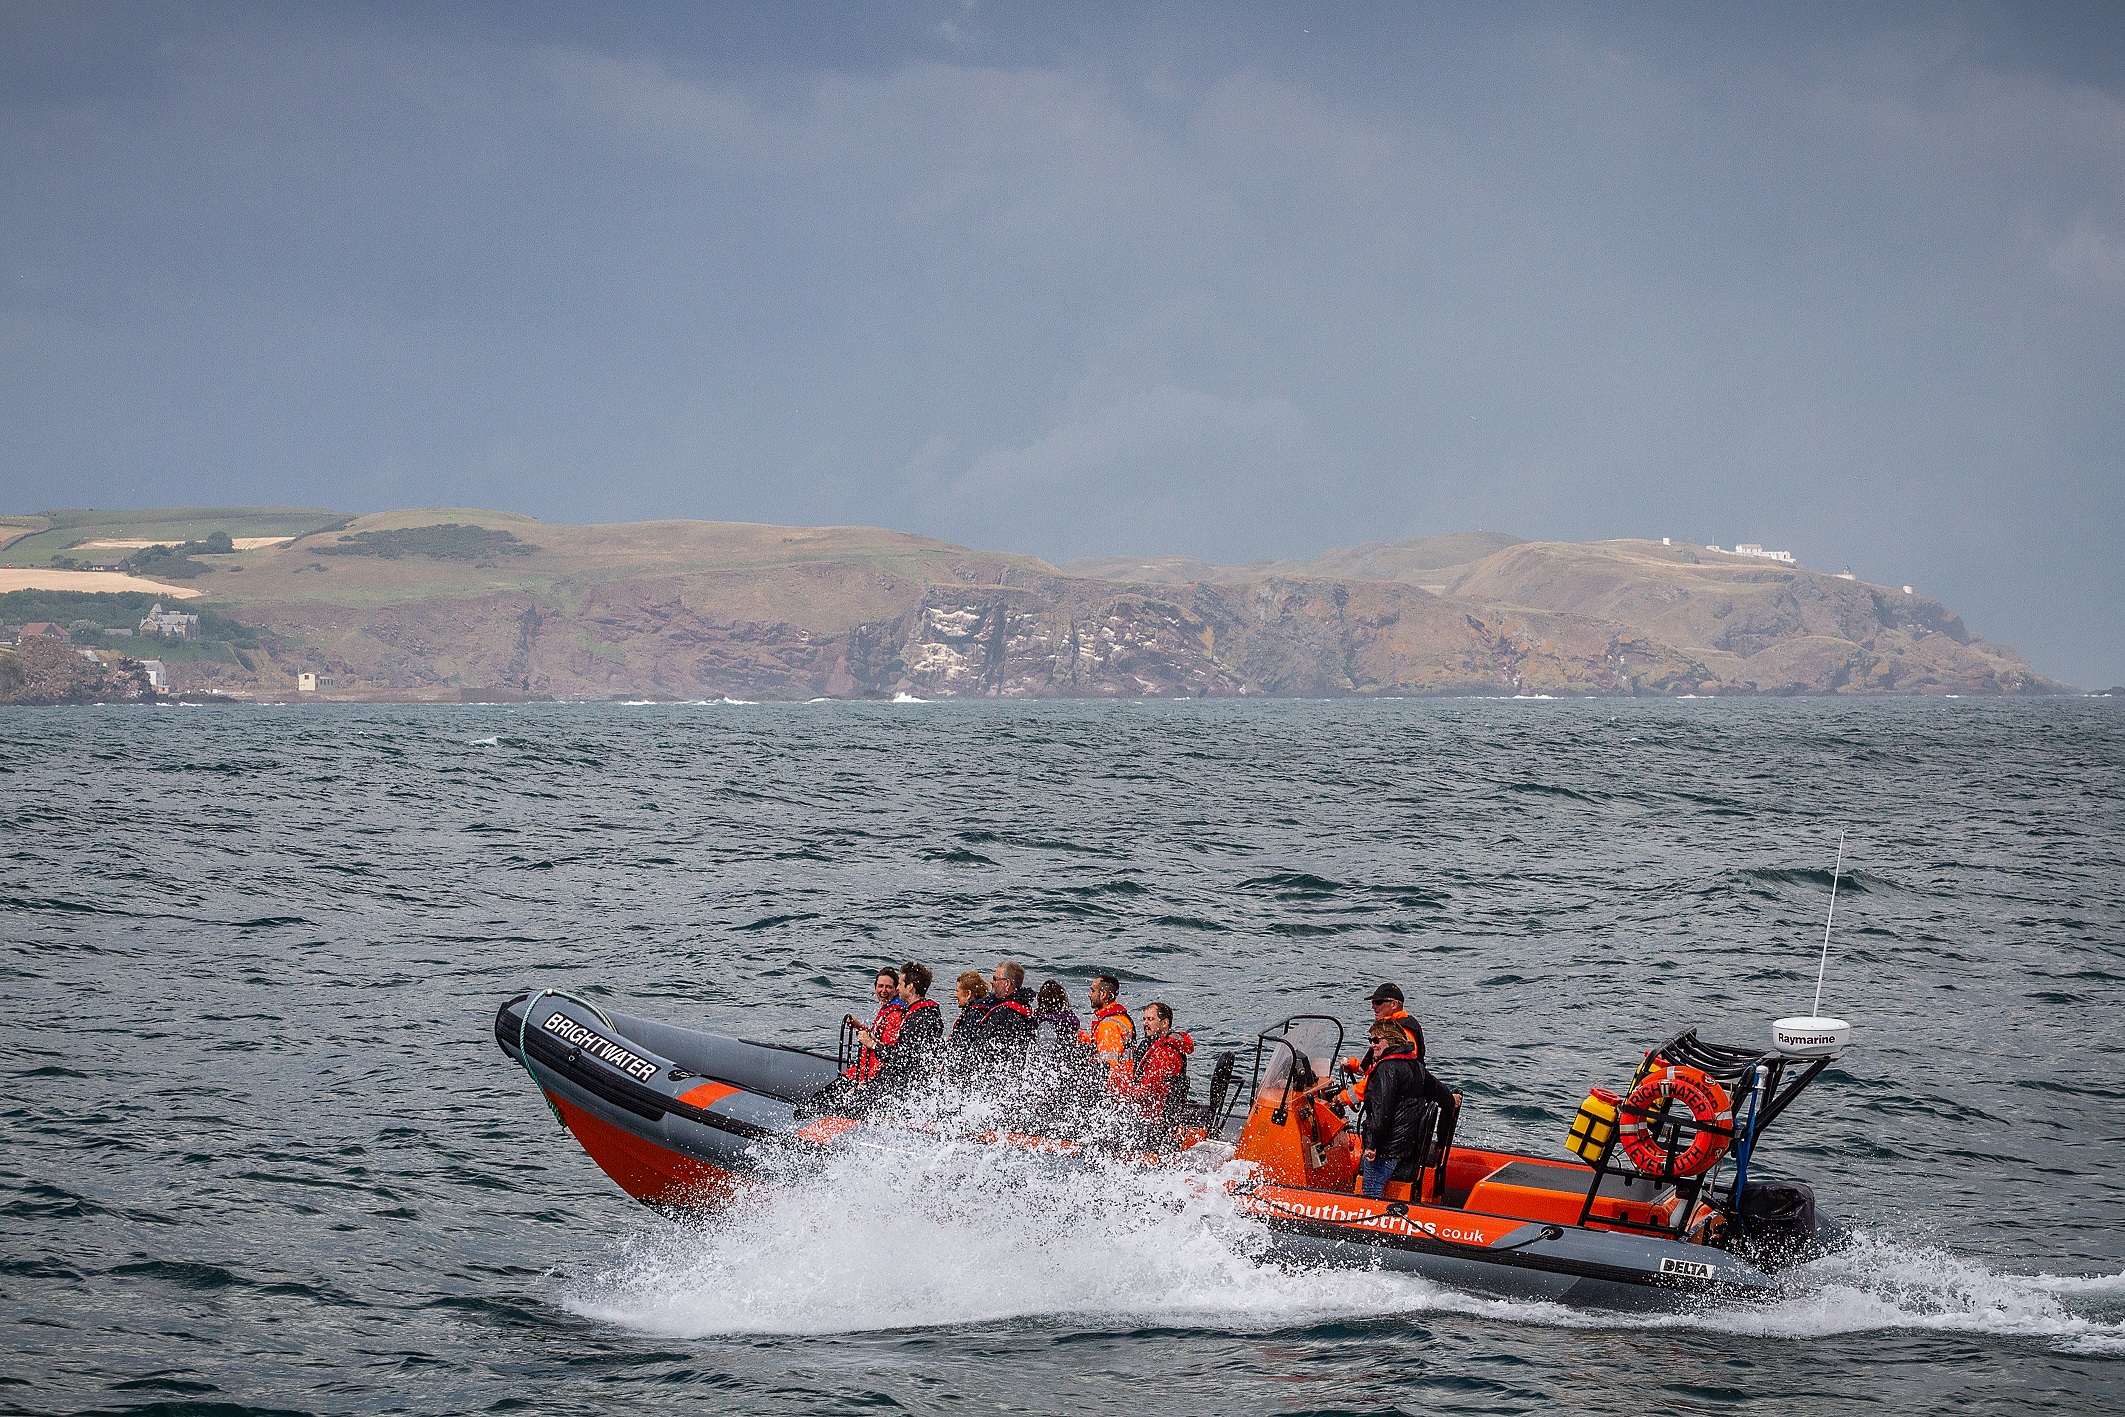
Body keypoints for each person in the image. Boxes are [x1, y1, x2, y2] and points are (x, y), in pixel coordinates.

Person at [1357, 1019, 1454, 1200]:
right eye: (1370, 1041)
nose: (1372, 1045)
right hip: (1408, 1145)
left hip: (1388, 1148)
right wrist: (1442, 1140)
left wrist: (1371, 1145)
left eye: (1376, 1041)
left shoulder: (1387, 1069)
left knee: (1370, 1191)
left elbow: (1382, 1112)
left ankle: (1376, 1223)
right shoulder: (1416, 1066)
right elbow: (1446, 1100)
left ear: (1391, 1040)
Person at [1109, 1001, 1194, 1149]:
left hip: (1153, 1122)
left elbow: (1146, 1093)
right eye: (1144, 1019)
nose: (1145, 1024)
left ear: (1165, 1023)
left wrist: (1118, 1090)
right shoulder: (1155, 1046)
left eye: (1151, 1019)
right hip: (1149, 1115)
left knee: (1106, 1131)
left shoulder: (1165, 1053)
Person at [1327, 983, 1423, 1113]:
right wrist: (1355, 1066)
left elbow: (1386, 1073)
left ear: (1394, 1004)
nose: (1373, 1006)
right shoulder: (1388, 1030)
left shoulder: (1399, 1034)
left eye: (1378, 1002)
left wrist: (1345, 1098)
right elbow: (1378, 1066)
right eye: (1373, 1003)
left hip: (1398, 1109)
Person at [854, 961, 944, 1099]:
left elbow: (902, 1059)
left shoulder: (918, 1019)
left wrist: (872, 1045)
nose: (898, 988)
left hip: (903, 1087)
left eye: (900, 984)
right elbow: (910, 1053)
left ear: (910, 987)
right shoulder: (926, 1012)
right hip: (908, 1082)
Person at [1024, 980, 1092, 1131]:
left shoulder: (1046, 1024)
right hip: (1068, 1075)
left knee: (1045, 1119)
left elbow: (1045, 1056)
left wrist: (1038, 1088)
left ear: (1042, 1001)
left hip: (1053, 1079)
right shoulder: (1068, 1022)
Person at [842, 967, 906, 1083]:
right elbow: (877, 1037)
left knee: (820, 1098)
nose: (883, 990)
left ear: (896, 990)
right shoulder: (888, 1008)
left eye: (889, 987)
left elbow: (886, 1053)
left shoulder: (895, 1015)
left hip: (869, 1075)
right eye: (880, 986)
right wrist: (858, 1026)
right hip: (862, 1070)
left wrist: (865, 1084)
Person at [978, 960, 1038, 1082]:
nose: (991, 982)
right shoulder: (1024, 1008)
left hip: (994, 1077)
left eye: (995, 979)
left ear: (1007, 984)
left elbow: (981, 1045)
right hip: (1014, 1075)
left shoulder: (1002, 1012)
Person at [1080, 974, 1136, 1087]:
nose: (1089, 994)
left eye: (1092, 991)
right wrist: (1079, 1035)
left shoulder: (1108, 1025)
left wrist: (1103, 1095)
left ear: (1103, 995)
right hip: (1123, 1085)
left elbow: (1109, 1065)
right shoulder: (1118, 1018)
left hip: (1113, 1091)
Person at [945, 970, 992, 1085]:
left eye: (957, 991)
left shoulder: (973, 1015)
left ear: (968, 994)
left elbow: (962, 1047)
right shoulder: (983, 1011)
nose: (955, 995)